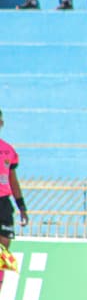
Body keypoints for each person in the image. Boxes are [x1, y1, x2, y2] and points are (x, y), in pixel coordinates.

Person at [0, 108, 29, 283]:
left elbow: (13, 180)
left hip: (3, 204)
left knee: (3, 251)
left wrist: (22, 207)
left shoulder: (8, 150)